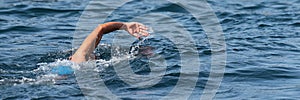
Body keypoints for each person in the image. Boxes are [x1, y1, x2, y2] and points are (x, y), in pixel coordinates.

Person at [70, 22, 150, 63]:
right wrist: (124, 26)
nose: (93, 54)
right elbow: (101, 28)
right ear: (70, 58)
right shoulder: (78, 58)